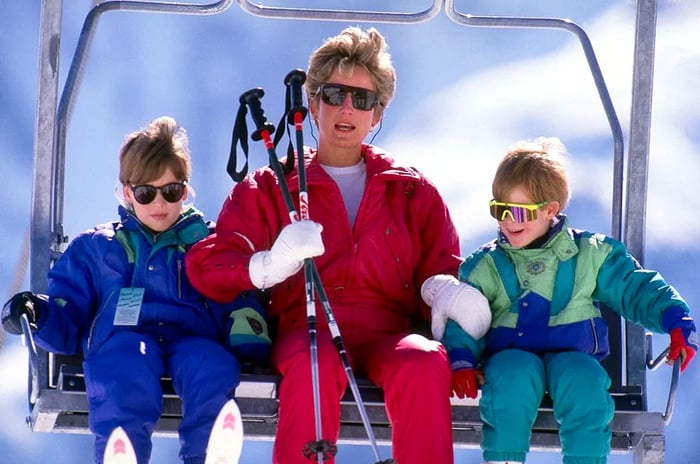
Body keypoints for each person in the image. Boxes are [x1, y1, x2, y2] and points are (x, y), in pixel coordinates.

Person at [184, 26, 491, 464]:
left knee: (424, 360)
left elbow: (440, 267)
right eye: (333, 94)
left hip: (389, 333)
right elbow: (208, 265)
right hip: (305, 329)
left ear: (377, 113)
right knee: (315, 363)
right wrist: (269, 265)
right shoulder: (273, 187)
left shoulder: (410, 192)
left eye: (362, 99)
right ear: (312, 104)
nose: (347, 108)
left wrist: (443, 291)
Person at [2, 116, 270, 464]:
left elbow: (237, 292)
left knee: (211, 365)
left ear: (186, 190)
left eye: (170, 191)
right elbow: (69, 315)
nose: (159, 203)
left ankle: (209, 452)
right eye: (146, 193)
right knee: (124, 366)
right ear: (127, 193)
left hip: (193, 340)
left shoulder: (209, 245)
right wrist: (39, 315)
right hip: (125, 340)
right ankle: (123, 448)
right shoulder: (97, 249)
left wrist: (251, 339)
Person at [423, 137, 698, 464]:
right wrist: (461, 361)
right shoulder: (487, 266)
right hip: (511, 356)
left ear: (550, 210)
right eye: (499, 210)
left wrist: (675, 320)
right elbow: (465, 317)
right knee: (511, 376)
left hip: (573, 355)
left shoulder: (589, 255)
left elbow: (634, 287)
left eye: (518, 212)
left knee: (584, 382)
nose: (507, 221)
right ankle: (504, 459)